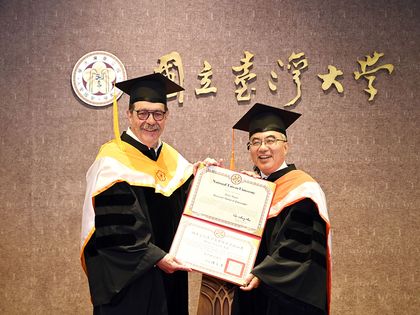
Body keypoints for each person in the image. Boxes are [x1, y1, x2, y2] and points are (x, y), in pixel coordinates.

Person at [80, 73, 194, 315]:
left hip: (170, 279)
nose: (150, 121)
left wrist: (206, 179)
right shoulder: (112, 162)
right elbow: (114, 230)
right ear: (129, 115)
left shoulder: (174, 160)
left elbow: (187, 211)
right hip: (130, 283)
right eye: (142, 113)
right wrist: (155, 257)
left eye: (158, 114)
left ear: (166, 117)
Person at [231, 103, 331, 315]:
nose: (263, 148)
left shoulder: (302, 190)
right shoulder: (250, 189)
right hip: (248, 289)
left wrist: (263, 274)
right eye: (255, 142)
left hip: (285, 298)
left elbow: (300, 248)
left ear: (286, 146)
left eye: (271, 140)